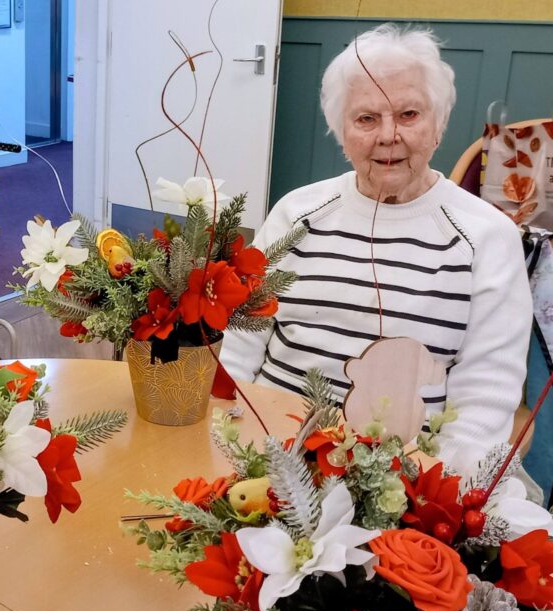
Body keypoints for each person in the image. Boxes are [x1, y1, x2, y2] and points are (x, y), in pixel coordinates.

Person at [221, 25, 532, 483]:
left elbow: (483, 405)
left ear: (438, 123)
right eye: (366, 119)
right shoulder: (297, 212)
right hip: (267, 461)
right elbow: (241, 345)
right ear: (339, 129)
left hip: (403, 480)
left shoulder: (486, 237)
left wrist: (423, 494)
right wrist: (234, 452)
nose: (388, 135)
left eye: (408, 114)